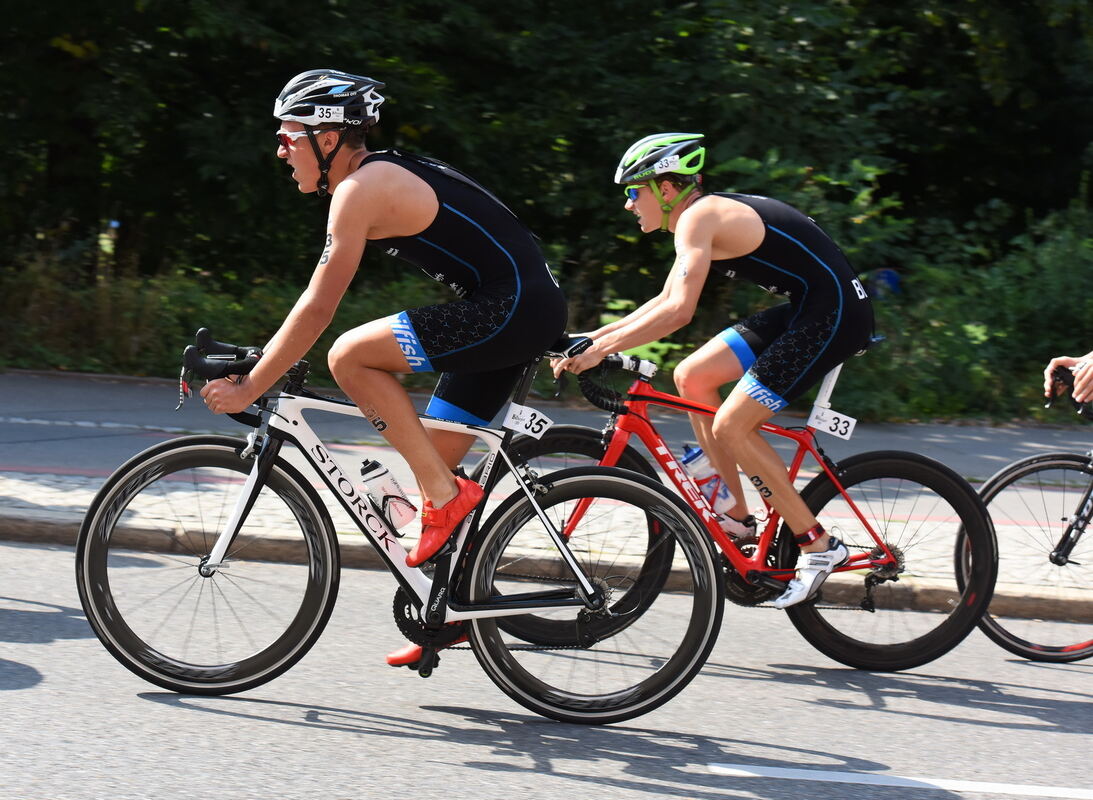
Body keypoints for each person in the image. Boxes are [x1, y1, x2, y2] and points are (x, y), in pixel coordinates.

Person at [200, 69, 567, 662]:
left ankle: (448, 498)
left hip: (511, 308)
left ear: (327, 138)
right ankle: (445, 615)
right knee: (430, 476)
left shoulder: (360, 188)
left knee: (350, 356)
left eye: (288, 133)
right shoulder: (377, 175)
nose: (279, 147)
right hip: (513, 306)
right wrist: (263, 368)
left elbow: (320, 306)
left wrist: (253, 387)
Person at [552, 132, 874, 608]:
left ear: (666, 189)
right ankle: (739, 516)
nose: (627, 205)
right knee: (693, 378)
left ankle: (818, 545)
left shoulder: (699, 216)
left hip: (835, 315)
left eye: (632, 191)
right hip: (812, 306)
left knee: (733, 426)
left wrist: (600, 350)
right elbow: (661, 302)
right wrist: (592, 340)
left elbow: (679, 312)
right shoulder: (700, 216)